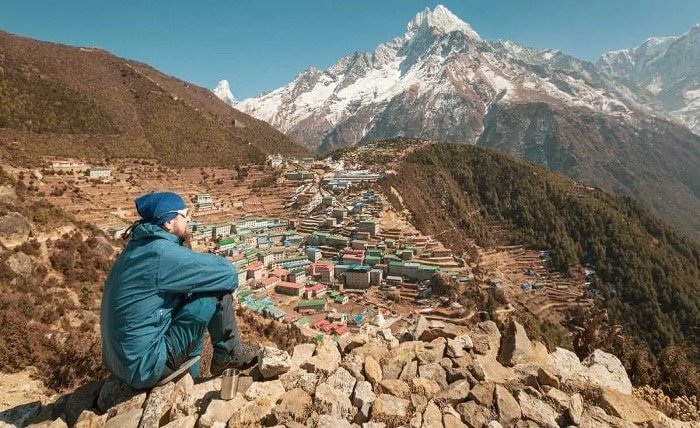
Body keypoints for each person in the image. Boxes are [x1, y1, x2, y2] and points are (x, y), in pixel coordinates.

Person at [100, 191, 258, 389]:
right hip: (145, 366)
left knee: (194, 293)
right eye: (185, 214)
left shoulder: (139, 248)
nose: (190, 218)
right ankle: (228, 354)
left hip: (120, 363)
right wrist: (224, 286)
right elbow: (227, 272)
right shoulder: (161, 253)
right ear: (168, 223)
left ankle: (189, 381)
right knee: (213, 292)